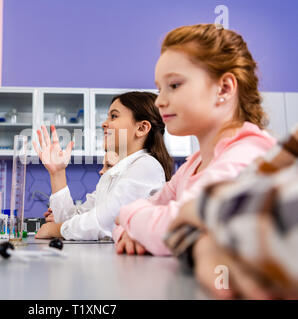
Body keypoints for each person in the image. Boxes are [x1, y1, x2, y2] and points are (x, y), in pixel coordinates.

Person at [114, 24, 277, 255]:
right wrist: (131, 229)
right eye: (160, 89)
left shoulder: (249, 155)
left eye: (174, 85)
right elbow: (129, 225)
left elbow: (176, 228)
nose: (159, 101)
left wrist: (128, 215)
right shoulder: (193, 165)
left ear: (224, 88)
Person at [165, 126, 298, 299]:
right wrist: (204, 244)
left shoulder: (249, 148)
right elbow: (178, 223)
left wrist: (202, 209)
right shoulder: (192, 163)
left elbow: (279, 218)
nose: (160, 102)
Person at [33, 91, 173, 240]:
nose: (104, 124)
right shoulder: (113, 174)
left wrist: (57, 229)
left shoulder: (146, 166)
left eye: (114, 116)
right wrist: (57, 173)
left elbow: (106, 223)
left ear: (141, 128)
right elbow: (73, 220)